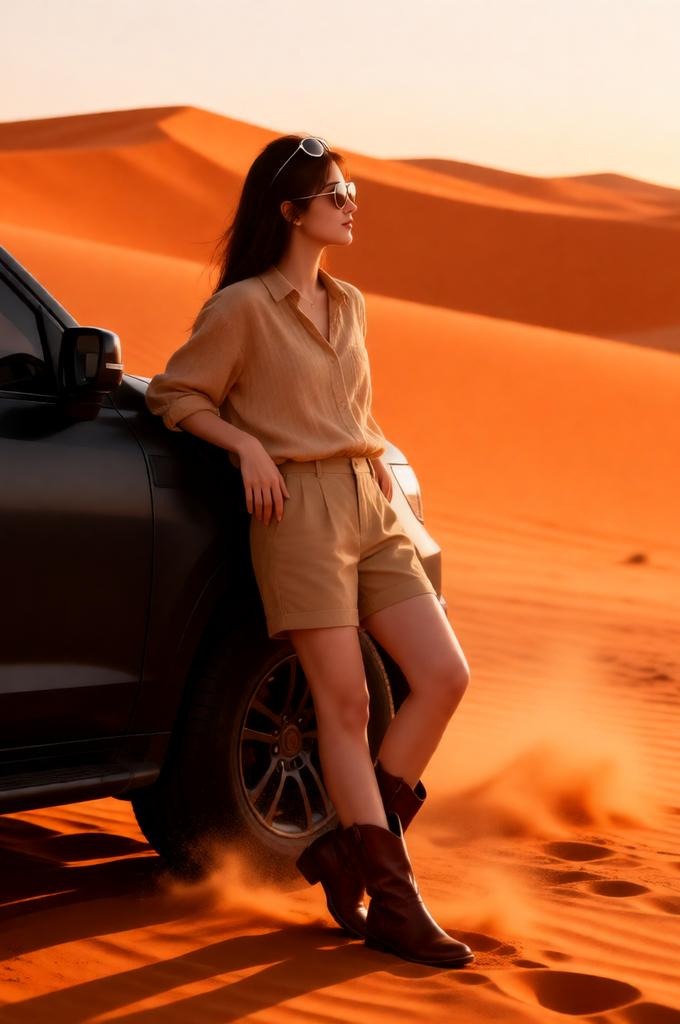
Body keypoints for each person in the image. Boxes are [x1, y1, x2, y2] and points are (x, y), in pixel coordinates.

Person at [144, 134, 474, 969]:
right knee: (347, 706)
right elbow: (177, 393)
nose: (350, 204)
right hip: (299, 515)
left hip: (371, 504)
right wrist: (246, 446)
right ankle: (394, 899)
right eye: (335, 194)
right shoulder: (242, 308)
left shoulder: (351, 303)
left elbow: (346, 405)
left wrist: (380, 462)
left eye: (350, 190)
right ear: (291, 212)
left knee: (443, 676)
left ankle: (343, 854)